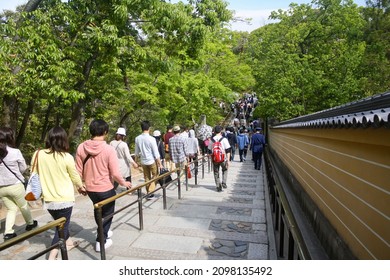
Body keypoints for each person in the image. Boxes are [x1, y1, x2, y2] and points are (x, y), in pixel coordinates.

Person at [75, 119, 132, 252]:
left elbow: (77, 170)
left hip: (90, 188)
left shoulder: (81, 147)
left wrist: (79, 186)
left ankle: (103, 230)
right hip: (106, 188)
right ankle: (101, 240)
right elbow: (115, 173)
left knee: (98, 209)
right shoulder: (109, 149)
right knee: (108, 213)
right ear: (105, 132)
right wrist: (124, 183)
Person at [33, 126, 85, 260]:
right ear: (63, 140)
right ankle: (52, 257)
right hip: (65, 199)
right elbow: (74, 176)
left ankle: (68, 243)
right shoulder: (66, 157)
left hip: (48, 200)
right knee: (61, 228)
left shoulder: (38, 154)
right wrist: (81, 187)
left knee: (60, 224)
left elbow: (34, 174)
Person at [0, 127, 37, 241]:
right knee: (23, 205)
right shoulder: (15, 152)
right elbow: (23, 167)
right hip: (15, 185)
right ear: (10, 137)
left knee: (11, 209)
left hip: (1, 187)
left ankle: (8, 232)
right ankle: (30, 223)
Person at [134, 121, 163, 200]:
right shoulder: (151, 139)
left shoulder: (137, 138)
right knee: (156, 175)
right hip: (151, 161)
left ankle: (149, 192)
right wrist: (160, 164)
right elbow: (156, 153)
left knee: (147, 177)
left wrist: (136, 162)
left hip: (143, 161)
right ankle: (150, 192)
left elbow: (136, 152)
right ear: (149, 128)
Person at [208, 125, 231, 192]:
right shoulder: (224, 139)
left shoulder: (212, 140)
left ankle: (218, 186)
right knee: (225, 169)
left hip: (215, 158)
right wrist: (228, 160)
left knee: (216, 172)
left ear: (214, 131)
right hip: (223, 158)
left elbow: (209, 150)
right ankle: (224, 182)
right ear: (221, 131)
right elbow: (228, 150)